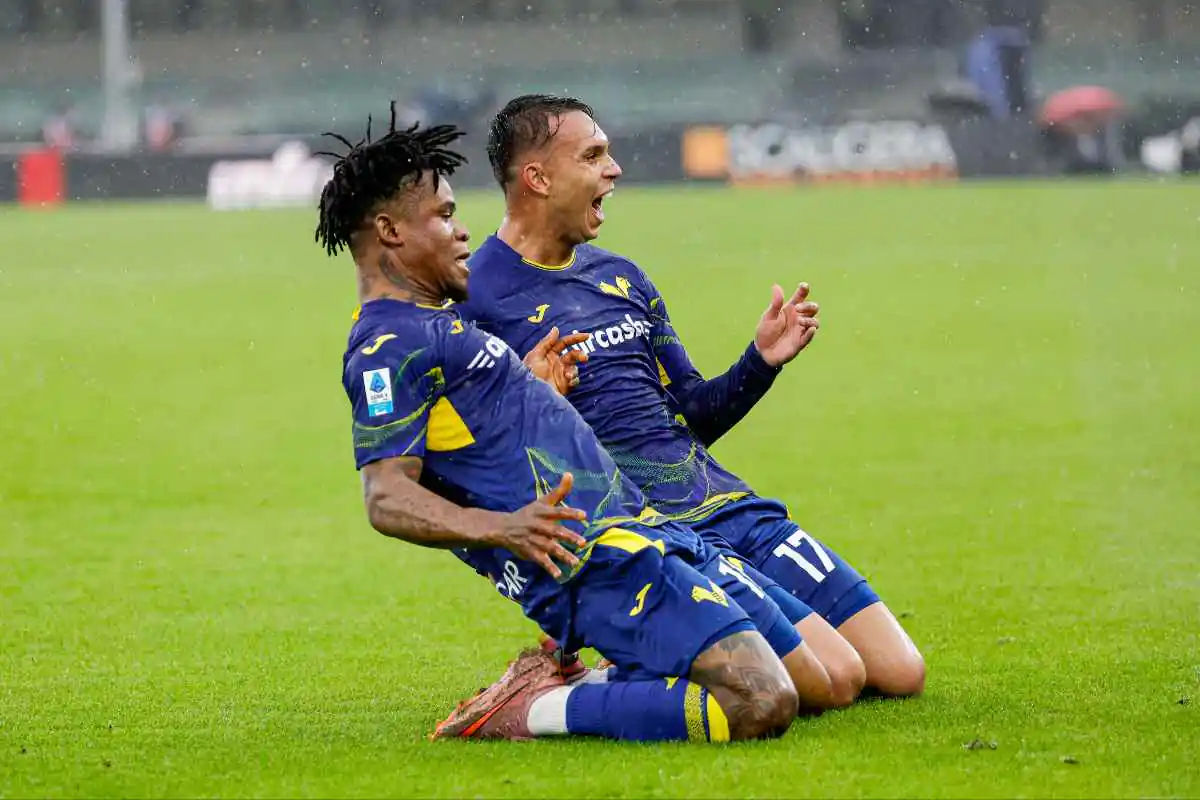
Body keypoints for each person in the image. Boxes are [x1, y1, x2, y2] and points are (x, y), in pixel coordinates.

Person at [317, 110, 837, 743]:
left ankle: (590, 674)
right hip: (593, 559)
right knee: (762, 702)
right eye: (444, 216)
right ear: (390, 230)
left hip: (646, 527)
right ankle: (532, 708)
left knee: (821, 683)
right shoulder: (385, 348)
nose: (462, 231)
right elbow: (386, 496)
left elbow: (480, 442)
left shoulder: (437, 325)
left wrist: (533, 390)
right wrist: (503, 529)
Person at [456, 95, 926, 704]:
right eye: (593, 156)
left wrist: (759, 363)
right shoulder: (476, 298)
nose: (614, 168)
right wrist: (535, 404)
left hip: (727, 506)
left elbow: (691, 416)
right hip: (655, 535)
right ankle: (590, 672)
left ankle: (664, 648)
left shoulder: (621, 277)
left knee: (901, 672)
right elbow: (476, 463)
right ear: (538, 178)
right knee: (834, 680)